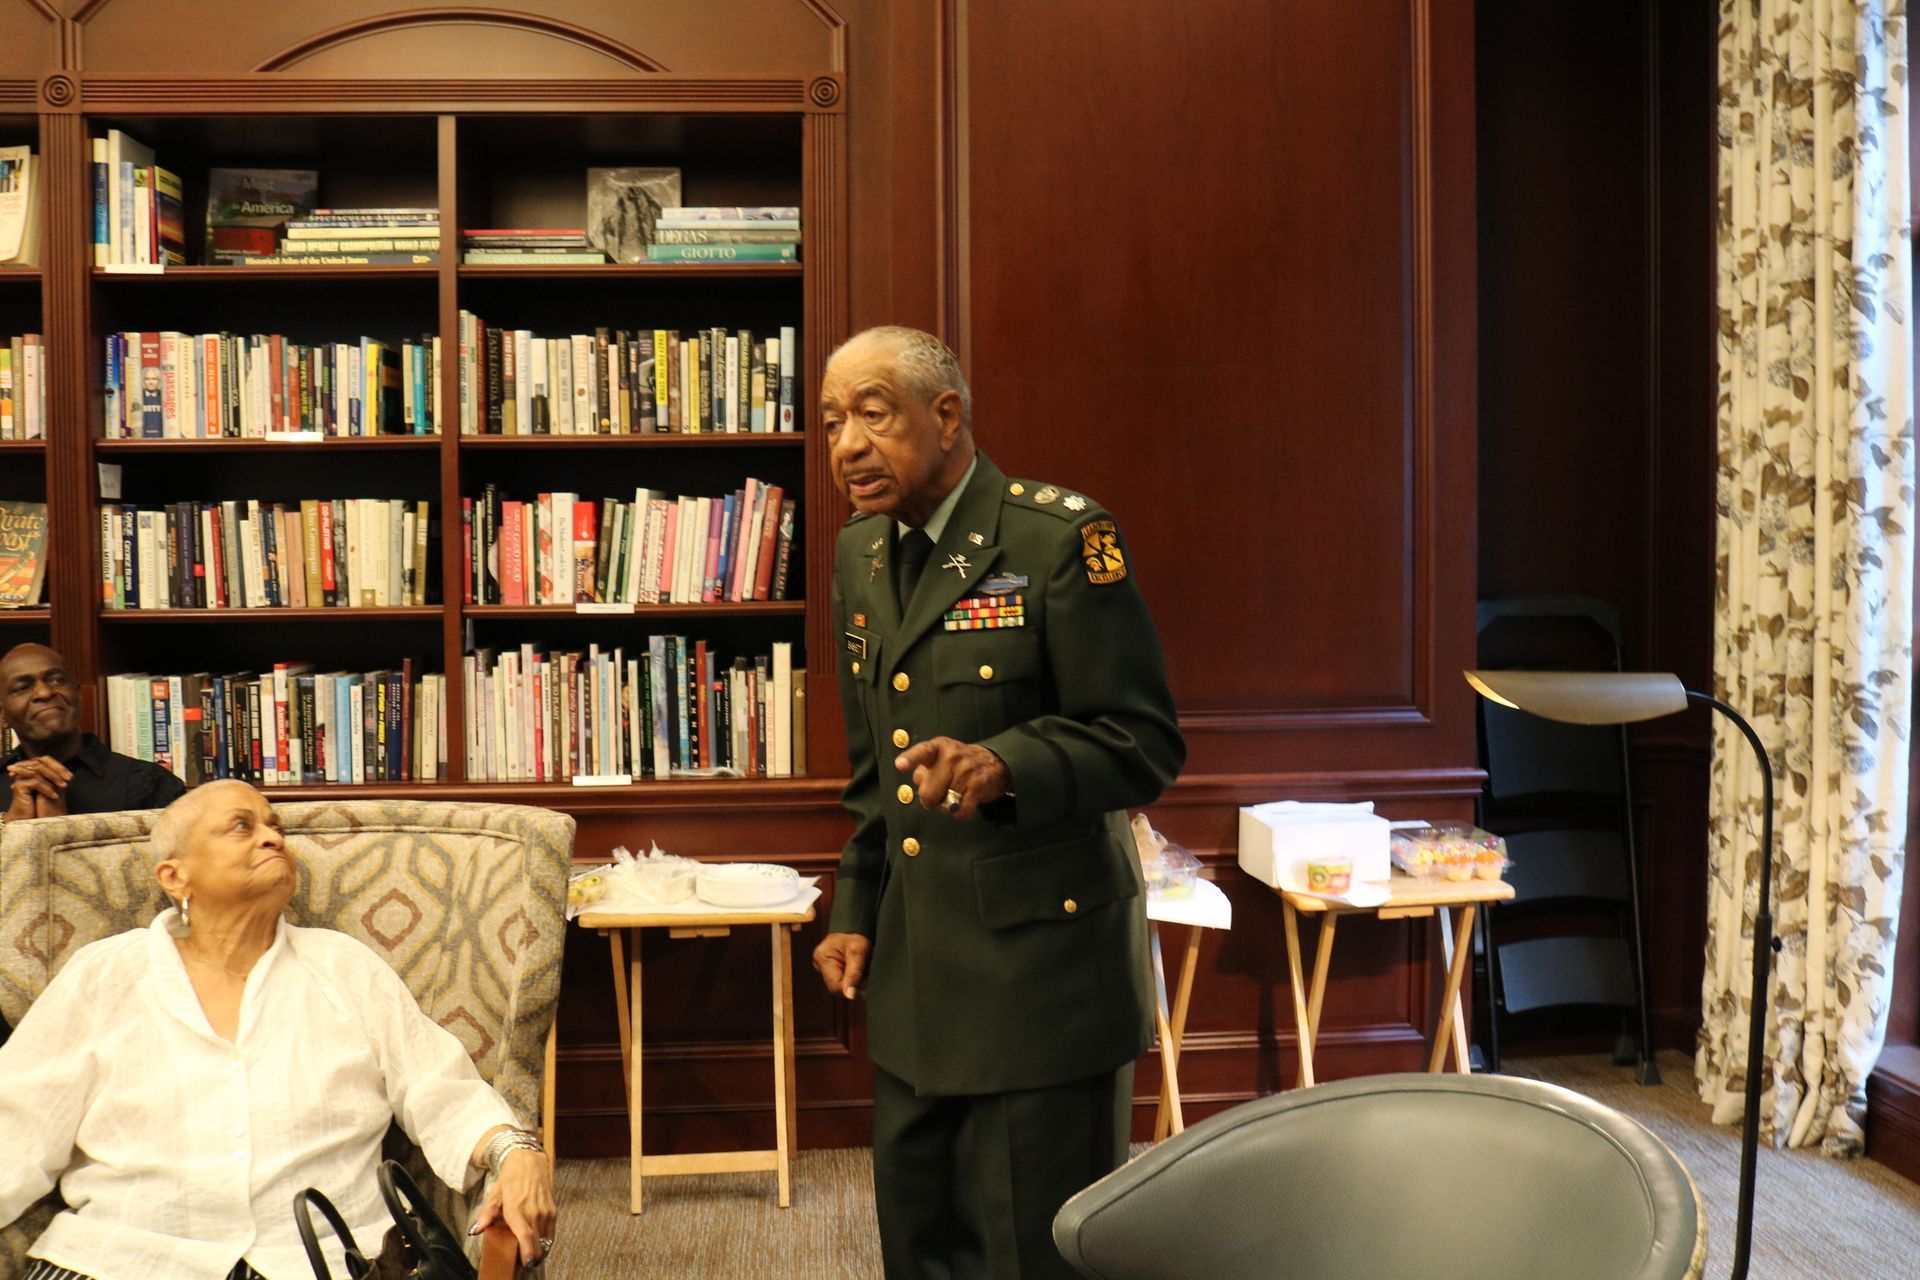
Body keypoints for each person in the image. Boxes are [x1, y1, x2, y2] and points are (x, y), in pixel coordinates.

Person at [811, 326, 1185, 1279]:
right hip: (917, 981)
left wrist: (1005, 765)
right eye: (831, 422)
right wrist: (854, 910)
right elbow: (875, 770)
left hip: (1042, 986)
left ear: (946, 416)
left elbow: (1142, 742)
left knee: (1029, 1257)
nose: (847, 444)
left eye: (872, 414)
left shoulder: (1060, 539)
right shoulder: (859, 554)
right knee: (920, 1249)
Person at [0, 779, 558, 1278]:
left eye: (275, 827)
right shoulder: (103, 975)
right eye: (241, 827)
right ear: (175, 876)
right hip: (122, 1258)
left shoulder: (343, 966)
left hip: (324, 1258)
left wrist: (514, 1151)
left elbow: (440, 1089)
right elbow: (19, 1124)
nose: (272, 838)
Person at [2, 643, 185, 821]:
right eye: (23, 688)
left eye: (56, 680)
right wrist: (10, 826)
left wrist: (59, 828)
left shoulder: (153, 784)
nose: (44, 692)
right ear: (2, 715)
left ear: (78, 694)